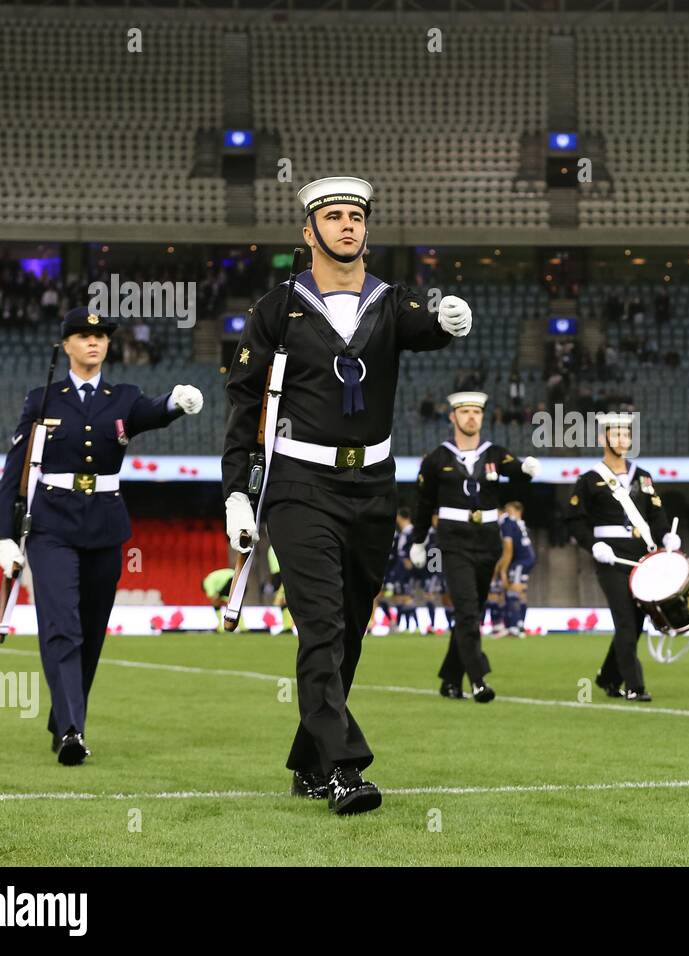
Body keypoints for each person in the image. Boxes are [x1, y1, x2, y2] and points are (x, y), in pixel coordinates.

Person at [222, 175, 471, 815]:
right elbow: (244, 406)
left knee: (352, 629)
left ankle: (309, 759)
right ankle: (342, 767)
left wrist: (448, 319)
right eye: (333, 216)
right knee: (322, 625)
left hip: (374, 486)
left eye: (356, 215)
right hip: (300, 485)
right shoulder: (276, 309)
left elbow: (428, 326)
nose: (348, 225)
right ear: (309, 232)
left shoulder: (393, 303)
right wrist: (236, 494)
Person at [0, 307, 202, 764]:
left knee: (90, 632)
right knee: (62, 627)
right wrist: (3, 537)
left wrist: (174, 402)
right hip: (50, 526)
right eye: (84, 336)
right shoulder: (41, 399)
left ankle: (64, 716)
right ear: (65, 344)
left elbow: (148, 413)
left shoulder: (122, 395)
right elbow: (15, 468)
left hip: (105, 526)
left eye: (101, 336)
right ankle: (72, 731)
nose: (94, 342)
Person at [408, 391, 539, 702]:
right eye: (464, 411)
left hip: (488, 542)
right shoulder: (436, 459)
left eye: (476, 412)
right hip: (454, 541)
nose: (471, 417)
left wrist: (527, 471)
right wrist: (418, 540)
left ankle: (450, 680)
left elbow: (516, 474)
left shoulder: (494, 453)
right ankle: (478, 680)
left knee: (473, 612)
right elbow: (424, 503)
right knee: (466, 611)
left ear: (482, 417)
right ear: (452, 416)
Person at [564, 412, 678, 702]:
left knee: (636, 623)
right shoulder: (589, 480)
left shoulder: (642, 476)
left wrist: (667, 536)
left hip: (642, 558)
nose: (622, 440)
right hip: (611, 559)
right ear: (604, 439)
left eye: (626, 435)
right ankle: (634, 686)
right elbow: (575, 521)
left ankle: (607, 677)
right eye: (616, 435)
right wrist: (593, 546)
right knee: (625, 621)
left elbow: (657, 514)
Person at [496, 501, 536, 638]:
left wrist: (502, 570)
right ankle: (519, 625)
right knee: (521, 592)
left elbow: (508, 549)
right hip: (527, 558)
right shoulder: (517, 522)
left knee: (512, 592)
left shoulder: (506, 523)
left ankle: (513, 628)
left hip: (521, 561)